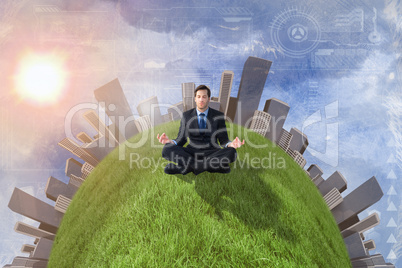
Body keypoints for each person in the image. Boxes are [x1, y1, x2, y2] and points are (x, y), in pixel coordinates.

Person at [157, 85, 244, 175]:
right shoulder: (186, 116)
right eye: (198, 97)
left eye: (204, 97)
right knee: (167, 149)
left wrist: (230, 144)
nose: (201, 100)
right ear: (195, 99)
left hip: (212, 152)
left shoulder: (218, 115)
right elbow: (181, 139)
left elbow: (223, 140)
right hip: (191, 153)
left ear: (209, 99)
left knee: (232, 152)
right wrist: (171, 142)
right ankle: (213, 167)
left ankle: (186, 167)